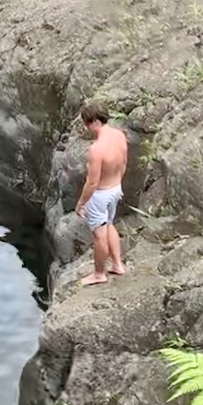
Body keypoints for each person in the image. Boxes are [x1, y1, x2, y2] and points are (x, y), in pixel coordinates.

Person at [75, 102, 128, 286]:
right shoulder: (120, 136)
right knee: (109, 224)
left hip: (99, 194)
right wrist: (118, 184)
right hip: (115, 188)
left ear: (95, 122)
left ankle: (99, 274)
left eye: (87, 123)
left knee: (99, 234)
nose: (86, 128)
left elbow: (92, 182)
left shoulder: (97, 149)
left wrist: (81, 203)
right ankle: (117, 265)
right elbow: (124, 163)